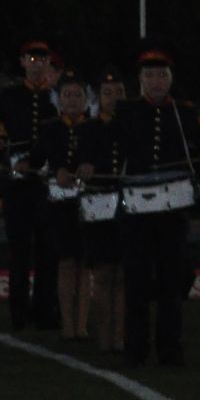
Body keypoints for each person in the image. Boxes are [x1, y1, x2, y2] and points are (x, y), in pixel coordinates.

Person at [114, 45, 200, 368]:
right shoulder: (125, 111)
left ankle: (171, 349)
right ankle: (135, 349)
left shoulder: (186, 113)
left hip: (172, 209)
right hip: (138, 210)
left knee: (172, 282)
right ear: (140, 80)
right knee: (137, 282)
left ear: (171, 79)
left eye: (162, 75)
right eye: (150, 75)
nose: (156, 81)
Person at [0, 40, 60, 330]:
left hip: (46, 181)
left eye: (42, 59)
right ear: (23, 61)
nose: (37, 64)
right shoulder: (9, 96)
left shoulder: (54, 97)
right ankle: (18, 311)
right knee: (19, 249)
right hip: (17, 182)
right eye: (32, 58)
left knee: (48, 248)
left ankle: (46, 309)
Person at [35, 72, 97, 339]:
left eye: (77, 95)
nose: (72, 100)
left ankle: (82, 324)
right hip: (59, 204)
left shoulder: (95, 128)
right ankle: (67, 325)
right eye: (67, 95)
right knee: (66, 262)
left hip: (89, 203)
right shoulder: (49, 128)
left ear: (86, 101)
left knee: (85, 264)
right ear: (58, 100)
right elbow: (38, 159)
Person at [83, 67, 129, 354]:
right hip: (98, 204)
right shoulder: (88, 128)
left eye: (118, 94)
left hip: (126, 204)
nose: (112, 99)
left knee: (122, 275)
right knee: (102, 274)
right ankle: (103, 334)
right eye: (107, 94)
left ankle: (120, 335)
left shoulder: (132, 126)